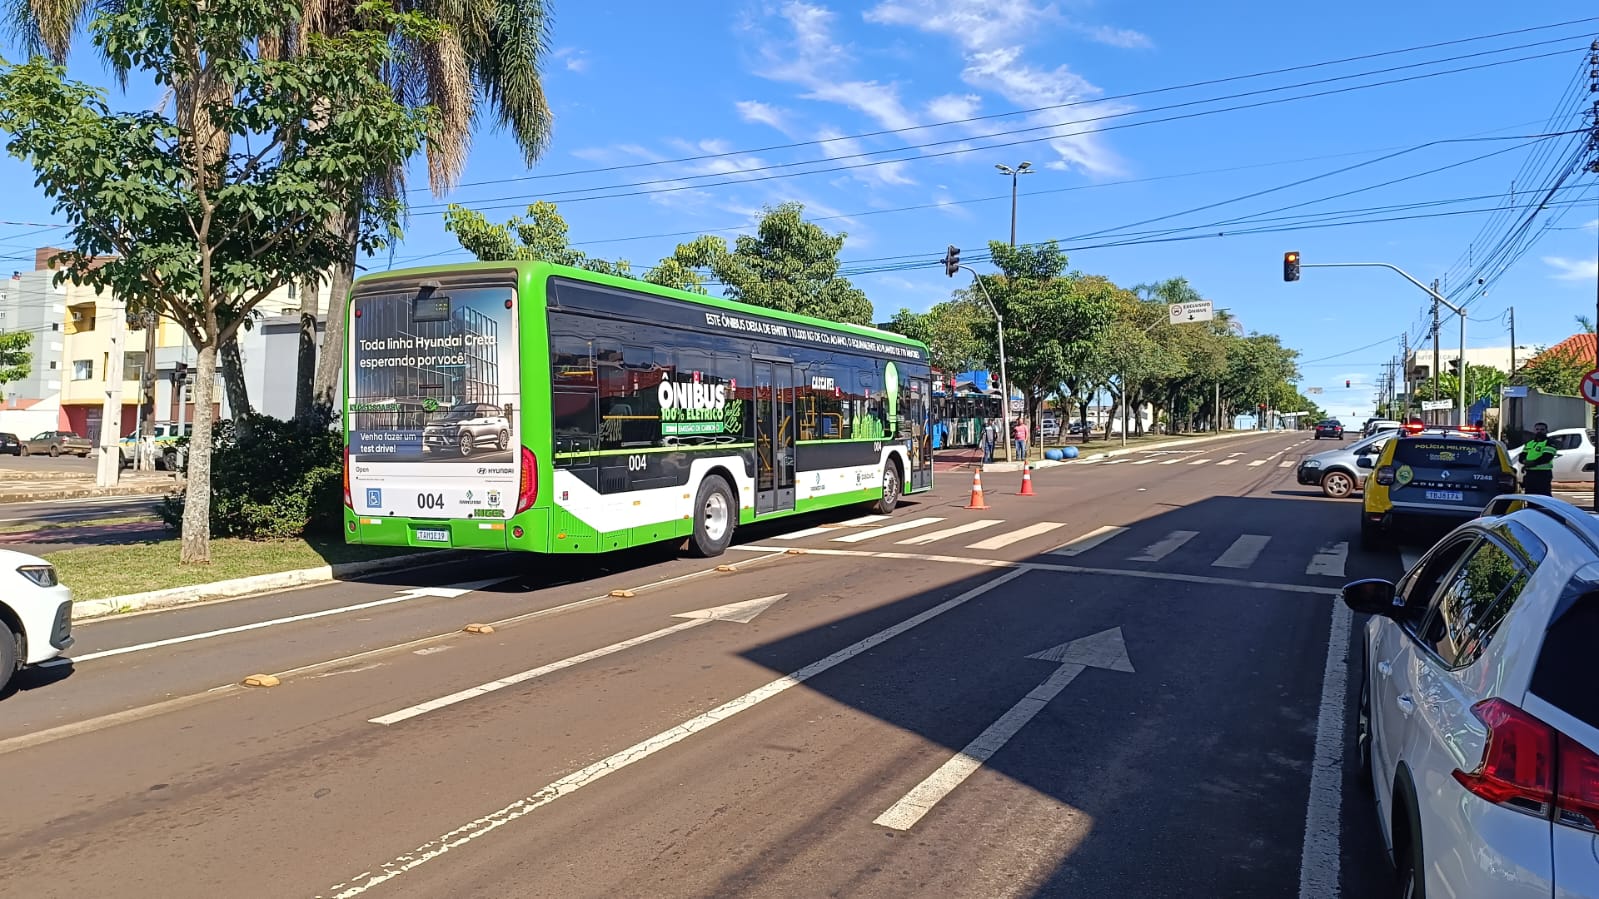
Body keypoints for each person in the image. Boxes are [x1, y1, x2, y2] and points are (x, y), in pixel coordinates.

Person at [1520, 422, 1556, 496]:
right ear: (1534, 430)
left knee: (1544, 496)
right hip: (1530, 474)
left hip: (1543, 474)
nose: (1539, 431)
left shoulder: (1549, 442)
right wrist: (1524, 462)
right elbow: (1522, 456)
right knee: (1530, 495)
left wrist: (1531, 463)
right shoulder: (1530, 443)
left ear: (1546, 431)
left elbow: (1547, 457)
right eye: (1537, 429)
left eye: (1542, 429)